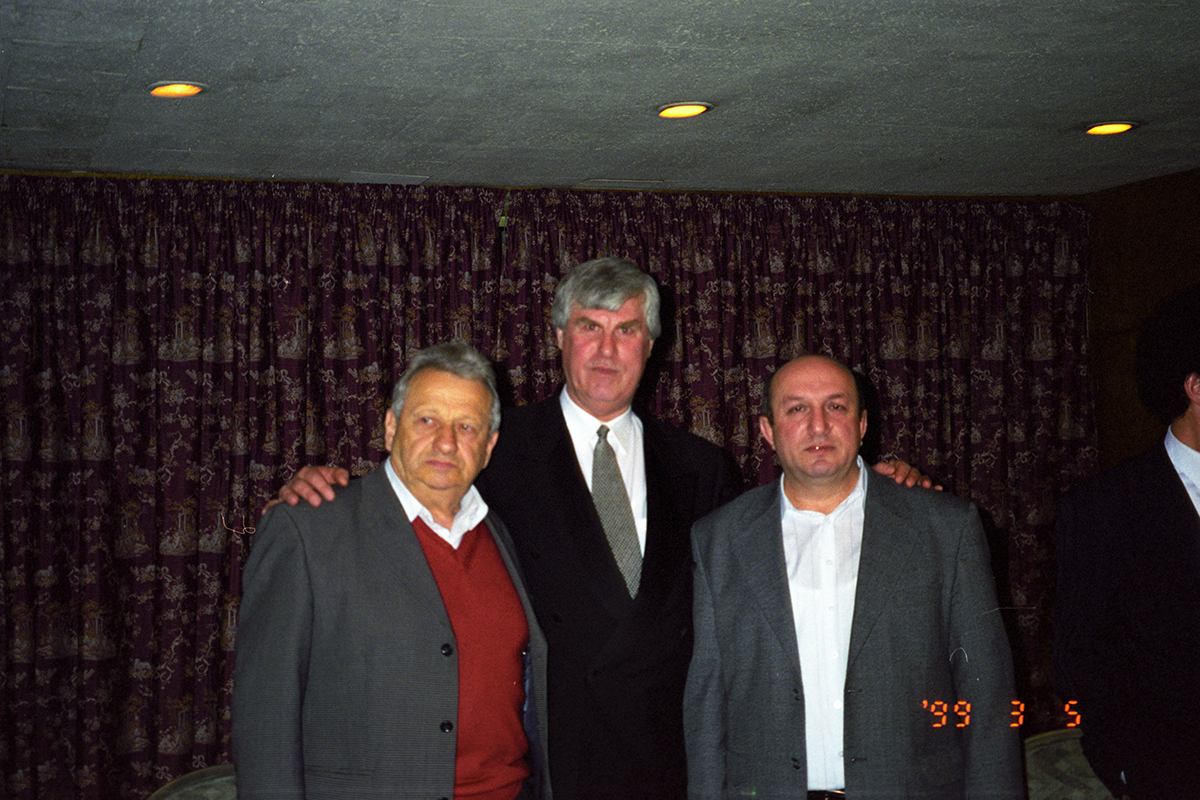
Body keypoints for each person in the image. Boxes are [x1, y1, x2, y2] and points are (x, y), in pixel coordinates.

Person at [276, 258, 931, 800]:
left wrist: (876, 488)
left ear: (652, 345)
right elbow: (416, 488)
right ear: (559, 336)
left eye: (627, 330)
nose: (608, 349)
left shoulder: (701, 466)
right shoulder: (496, 449)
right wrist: (331, 486)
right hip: (550, 761)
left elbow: (757, 571)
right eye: (590, 326)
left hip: (669, 761)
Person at [684, 355, 1023, 799]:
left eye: (836, 406)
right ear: (767, 430)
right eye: (797, 408)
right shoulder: (719, 539)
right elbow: (706, 708)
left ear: (862, 424)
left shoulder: (944, 528)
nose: (818, 425)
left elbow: (989, 699)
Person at [232, 343, 550, 800]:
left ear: (488, 446)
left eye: (466, 426)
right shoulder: (308, 529)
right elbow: (264, 728)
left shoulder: (505, 531)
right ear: (390, 427)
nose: (446, 442)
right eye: (427, 420)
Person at [1054, 282, 1200, 799]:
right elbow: (1080, 655)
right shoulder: (1105, 507)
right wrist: (1126, 767)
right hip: (1172, 774)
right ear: (1195, 386)